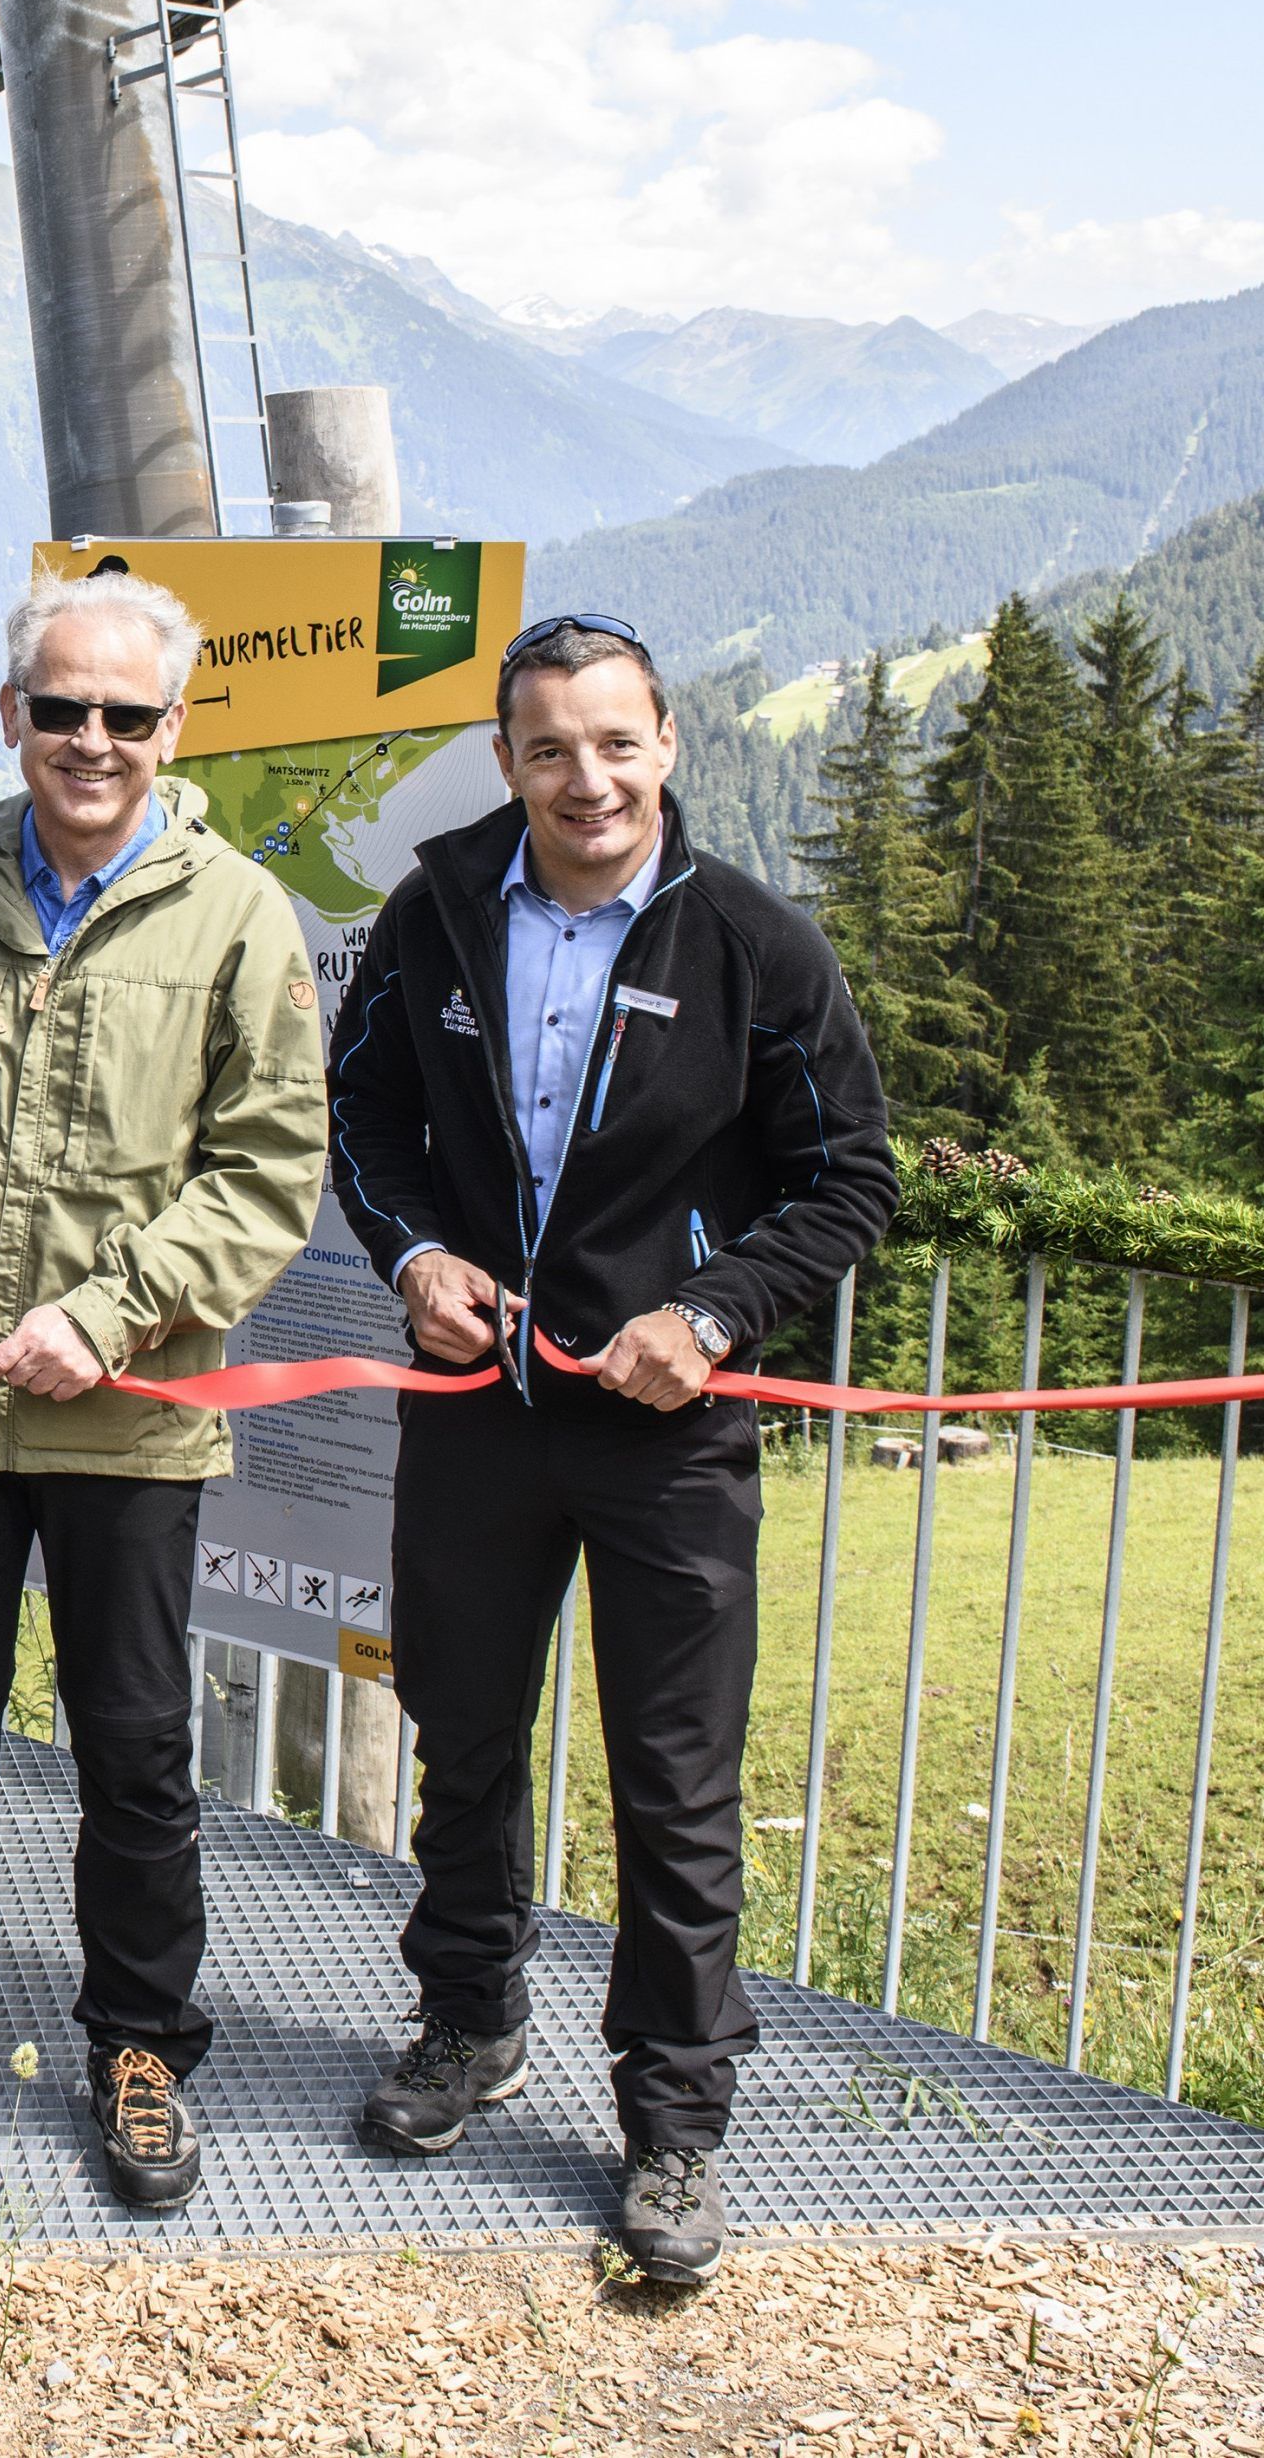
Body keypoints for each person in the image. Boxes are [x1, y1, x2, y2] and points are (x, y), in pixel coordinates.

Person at [328, 612, 893, 2286]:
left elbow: (849, 1178)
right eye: (552, 747)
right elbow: (365, 1123)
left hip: (673, 1431)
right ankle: (469, 2019)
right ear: (505, 759)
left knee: (674, 1785)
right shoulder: (430, 916)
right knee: (466, 1740)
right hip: (480, 1418)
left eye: (617, 742)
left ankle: (673, 2119)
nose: (589, 778)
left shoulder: (755, 946)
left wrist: (710, 1316)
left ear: (671, 745)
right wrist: (418, 1260)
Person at [0, 570, 325, 2207]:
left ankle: (141, 2040)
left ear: (174, 727)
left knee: (134, 1750)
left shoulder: (238, 916)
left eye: (124, 713)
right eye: (61, 709)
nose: (91, 739)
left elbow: (266, 1171)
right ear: (12, 717)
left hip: (135, 1417)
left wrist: (110, 1316)